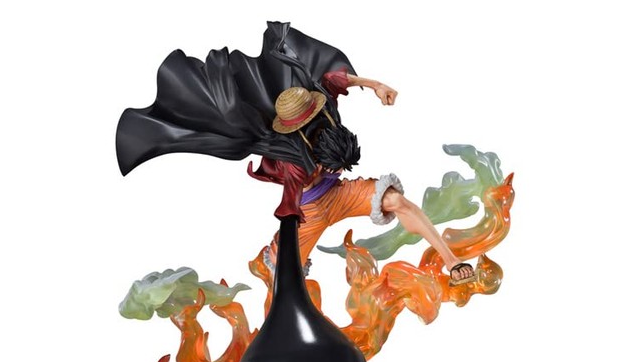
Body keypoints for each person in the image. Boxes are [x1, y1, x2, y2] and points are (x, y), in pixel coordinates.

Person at [116, 22, 475, 284]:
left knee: (396, 200)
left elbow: (335, 79)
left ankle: (451, 260)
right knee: (286, 280)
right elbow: (290, 204)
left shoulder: (324, 108)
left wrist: (375, 84)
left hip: (340, 193)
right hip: (308, 212)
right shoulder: (288, 154)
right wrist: (288, 239)